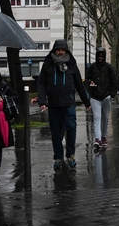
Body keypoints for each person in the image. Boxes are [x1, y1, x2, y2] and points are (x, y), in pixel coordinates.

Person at [36, 39, 91, 169]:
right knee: (56, 133)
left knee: (71, 128)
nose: (60, 52)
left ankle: (70, 154)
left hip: (69, 104)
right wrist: (42, 101)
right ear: (54, 50)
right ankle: (58, 157)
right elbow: (41, 83)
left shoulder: (71, 66)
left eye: (63, 50)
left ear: (66, 51)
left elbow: (79, 84)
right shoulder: (48, 65)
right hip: (54, 105)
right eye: (58, 50)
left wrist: (86, 102)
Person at [86, 47, 118, 149]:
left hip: (106, 96)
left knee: (105, 117)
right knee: (97, 117)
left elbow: (114, 81)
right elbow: (87, 78)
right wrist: (90, 82)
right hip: (95, 97)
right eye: (99, 56)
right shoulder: (92, 67)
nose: (100, 58)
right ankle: (98, 139)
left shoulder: (109, 68)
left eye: (102, 56)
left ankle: (103, 136)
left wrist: (112, 94)